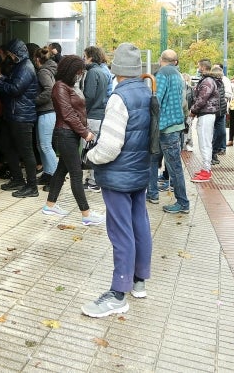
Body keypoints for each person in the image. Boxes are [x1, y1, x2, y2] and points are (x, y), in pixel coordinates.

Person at [82, 42, 152, 318]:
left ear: (117, 69)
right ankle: (138, 281)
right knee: (139, 224)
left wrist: (91, 157)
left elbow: (110, 147)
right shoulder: (146, 92)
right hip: (139, 172)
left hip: (118, 175)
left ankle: (117, 292)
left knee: (121, 230)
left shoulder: (119, 97)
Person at [42, 55, 105, 225]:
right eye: (78, 72)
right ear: (71, 71)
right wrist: (85, 133)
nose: (80, 75)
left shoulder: (68, 86)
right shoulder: (59, 87)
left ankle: (50, 205)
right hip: (65, 134)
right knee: (76, 173)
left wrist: (83, 131)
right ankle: (86, 215)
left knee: (62, 170)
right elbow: (68, 114)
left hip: (70, 134)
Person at [0, 38, 40, 198]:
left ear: (16, 53)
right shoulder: (20, 66)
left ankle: (32, 187)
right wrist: (3, 78)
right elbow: (15, 83)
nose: (9, 56)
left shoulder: (26, 67)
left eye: (11, 54)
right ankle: (18, 179)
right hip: (13, 115)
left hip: (22, 117)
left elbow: (15, 89)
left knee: (26, 152)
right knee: (9, 147)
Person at [145, 50, 190, 214]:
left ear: (160, 59)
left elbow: (157, 99)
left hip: (164, 126)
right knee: (157, 159)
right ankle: (152, 193)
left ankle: (183, 202)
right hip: (176, 125)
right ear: (175, 62)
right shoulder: (178, 75)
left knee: (173, 166)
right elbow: (183, 101)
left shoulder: (162, 74)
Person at [82, 46, 111, 192]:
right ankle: (95, 179)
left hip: (92, 115)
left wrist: (82, 111)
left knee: (90, 148)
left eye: (85, 56)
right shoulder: (104, 72)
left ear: (91, 57)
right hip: (100, 115)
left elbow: (89, 96)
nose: (84, 59)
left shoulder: (93, 72)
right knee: (96, 147)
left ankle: (93, 181)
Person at [188, 59, 220, 183]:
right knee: (205, 142)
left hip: (206, 114)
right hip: (207, 114)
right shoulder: (209, 80)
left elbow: (201, 99)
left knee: (205, 143)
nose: (198, 68)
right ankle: (206, 168)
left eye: (198, 66)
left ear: (202, 67)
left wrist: (193, 111)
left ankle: (206, 170)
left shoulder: (207, 81)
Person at [33, 47, 58, 185]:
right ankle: (48, 173)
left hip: (46, 112)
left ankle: (55, 178)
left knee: (45, 146)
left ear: (37, 59)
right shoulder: (49, 70)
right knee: (41, 145)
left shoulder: (42, 72)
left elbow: (49, 90)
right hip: (47, 112)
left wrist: (34, 101)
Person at [211, 64, 228, 158]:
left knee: (221, 133)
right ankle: (212, 154)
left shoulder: (221, 83)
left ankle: (215, 151)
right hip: (213, 112)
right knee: (213, 134)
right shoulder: (211, 83)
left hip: (221, 111)